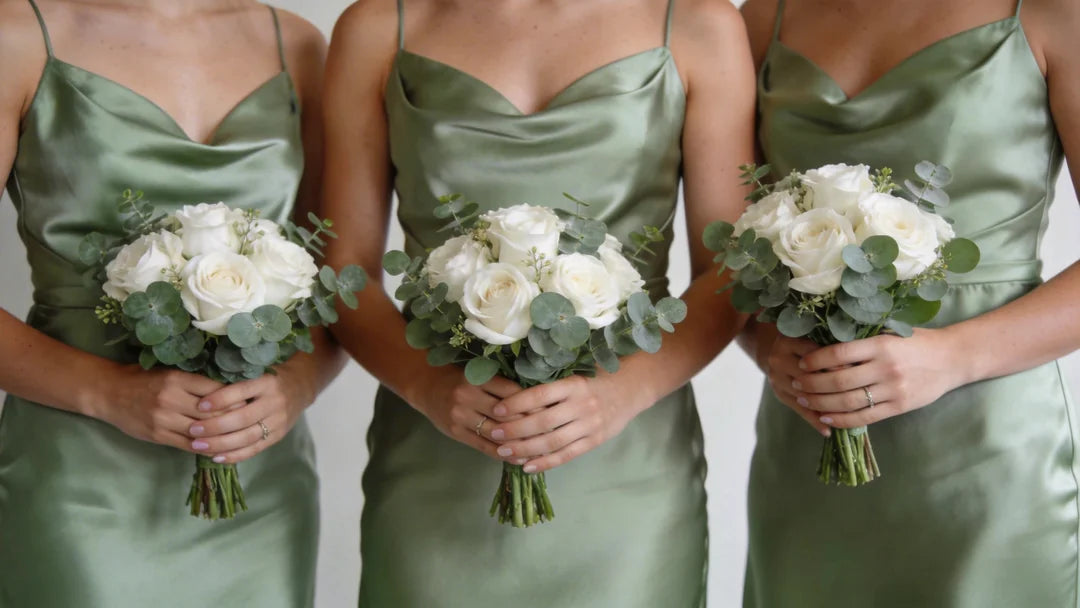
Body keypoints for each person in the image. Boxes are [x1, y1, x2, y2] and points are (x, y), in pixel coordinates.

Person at [321, 0, 754, 605]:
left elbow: (731, 269)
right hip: (436, 447)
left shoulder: (699, 24)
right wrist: (428, 387)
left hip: (627, 458)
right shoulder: (378, 27)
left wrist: (623, 394)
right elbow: (344, 274)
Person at [738, 0, 1080, 605]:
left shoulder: (1054, 11)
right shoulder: (765, 16)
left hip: (983, 444)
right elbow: (735, 250)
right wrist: (768, 346)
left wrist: (953, 357)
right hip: (812, 435)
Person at [0, 1, 341, 605]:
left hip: (258, 476)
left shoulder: (296, 44)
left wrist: (298, 385)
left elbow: (330, 279)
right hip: (83, 479)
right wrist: (110, 392)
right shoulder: (18, 34)